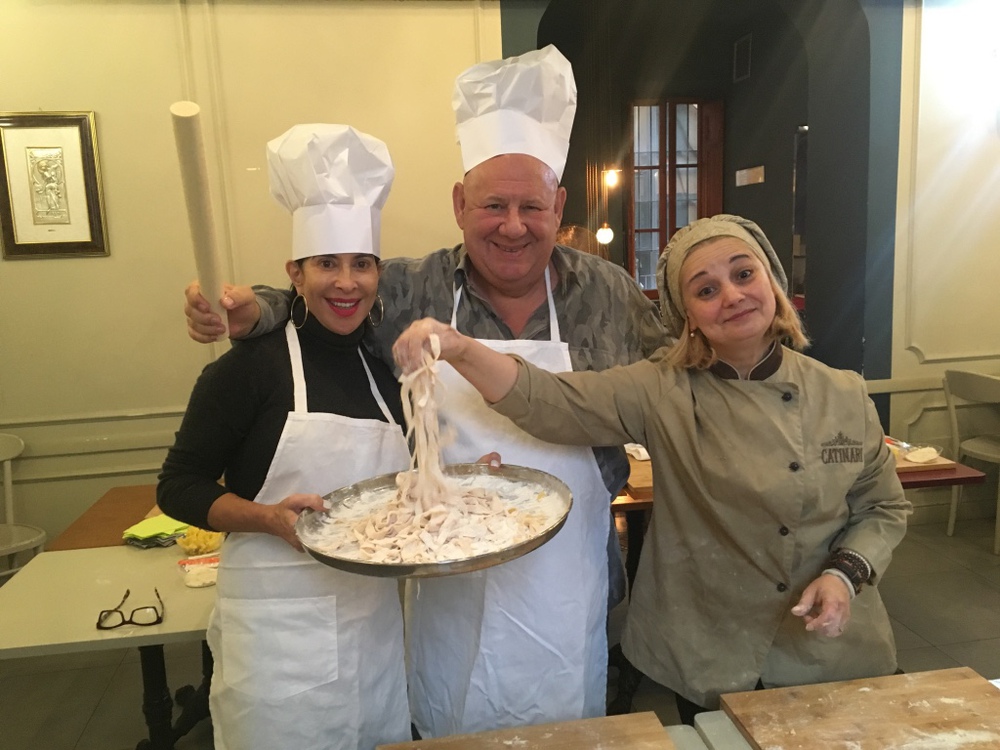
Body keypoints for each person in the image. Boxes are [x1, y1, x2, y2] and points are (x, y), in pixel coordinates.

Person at [184, 46, 669, 737]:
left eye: (531, 205)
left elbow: (676, 389)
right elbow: (328, 304)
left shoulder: (610, 296)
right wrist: (251, 311)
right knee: (451, 725)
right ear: (459, 204)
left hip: (567, 583)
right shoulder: (413, 286)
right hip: (444, 586)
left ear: (559, 206)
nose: (511, 224)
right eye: (492, 204)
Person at [391, 213, 912, 726]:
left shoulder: (843, 392)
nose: (731, 296)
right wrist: (457, 347)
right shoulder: (663, 389)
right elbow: (546, 398)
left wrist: (846, 573)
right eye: (705, 290)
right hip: (713, 647)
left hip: (830, 645)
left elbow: (883, 506)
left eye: (744, 274)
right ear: (686, 314)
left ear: (771, 279)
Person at [158, 124, 413, 750]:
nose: (346, 283)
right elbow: (177, 487)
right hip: (277, 646)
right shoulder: (251, 367)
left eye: (361, 264)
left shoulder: (385, 370)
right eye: (327, 264)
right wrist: (267, 518)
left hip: (374, 632)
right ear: (294, 273)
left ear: (379, 273)